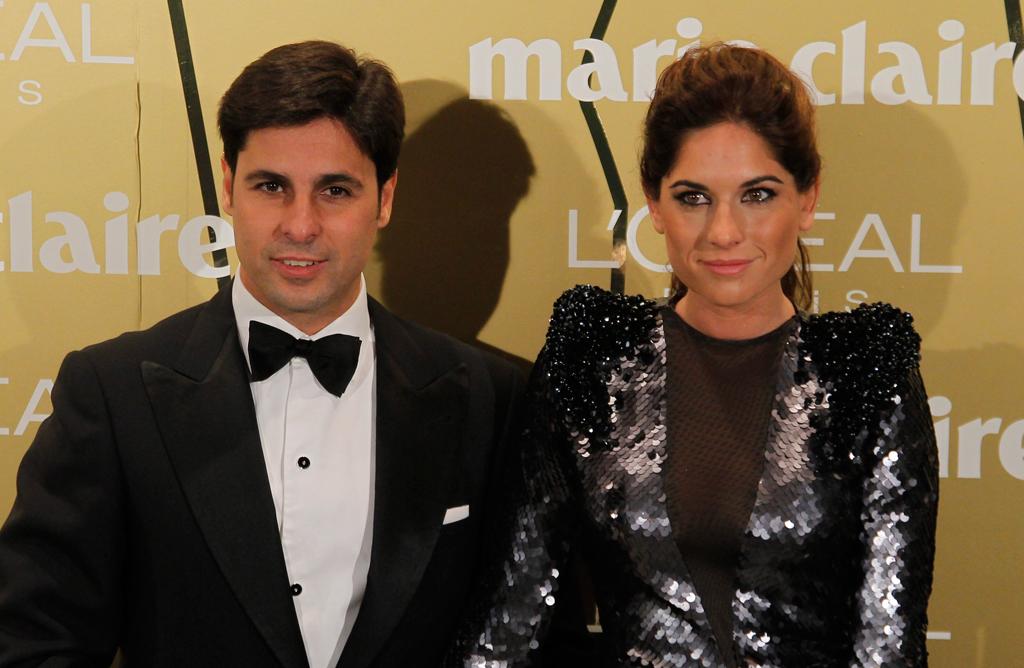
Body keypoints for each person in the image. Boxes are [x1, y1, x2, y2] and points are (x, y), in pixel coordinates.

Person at [0, 41, 523, 668]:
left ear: (385, 198)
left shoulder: (489, 398)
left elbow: (535, 638)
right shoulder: (113, 394)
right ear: (228, 185)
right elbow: (32, 641)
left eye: (335, 190)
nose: (300, 226)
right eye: (271, 186)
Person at [451, 44, 939, 667]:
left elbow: (889, 649)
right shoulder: (592, 362)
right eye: (693, 197)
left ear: (808, 198)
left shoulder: (865, 375)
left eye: (757, 195)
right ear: (654, 205)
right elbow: (509, 624)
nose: (723, 232)